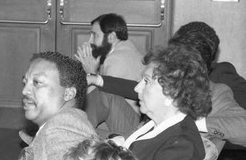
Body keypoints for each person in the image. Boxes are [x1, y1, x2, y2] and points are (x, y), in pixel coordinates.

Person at [87, 21, 246, 146]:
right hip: (139, 134)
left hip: (153, 151)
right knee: (83, 124)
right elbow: (142, 90)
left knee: (81, 134)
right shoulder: (168, 77)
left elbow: (242, 127)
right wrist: (99, 80)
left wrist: (186, 123)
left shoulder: (218, 87)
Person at [121, 45, 212, 160]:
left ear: (171, 94)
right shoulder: (161, 125)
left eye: (146, 81)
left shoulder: (180, 146)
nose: (137, 88)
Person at [75, 13, 144, 128]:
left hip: (131, 123)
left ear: (111, 37)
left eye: (95, 35)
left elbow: (105, 102)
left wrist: (91, 72)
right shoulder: (125, 49)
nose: (90, 41)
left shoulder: (116, 60)